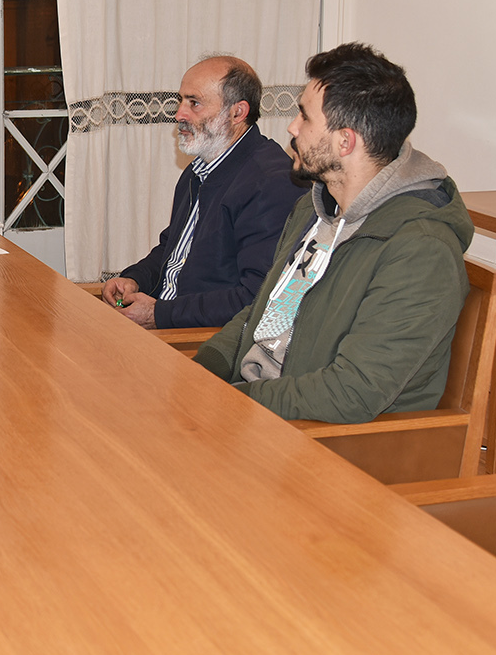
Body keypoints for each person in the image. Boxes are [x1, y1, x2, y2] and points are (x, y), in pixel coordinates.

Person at [195, 42, 473, 423]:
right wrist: (202, 371)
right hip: (260, 408)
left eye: (305, 117)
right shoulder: (313, 210)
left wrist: (231, 403)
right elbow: (264, 310)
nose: (292, 127)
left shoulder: (421, 251)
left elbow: (352, 391)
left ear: (345, 141)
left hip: (321, 439)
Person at [101, 56, 307, 329]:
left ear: (237, 112)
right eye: (181, 101)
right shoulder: (198, 169)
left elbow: (258, 298)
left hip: (201, 340)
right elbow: (173, 249)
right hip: (169, 324)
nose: (179, 114)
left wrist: (159, 314)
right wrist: (135, 278)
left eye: (194, 103)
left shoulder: (271, 182)